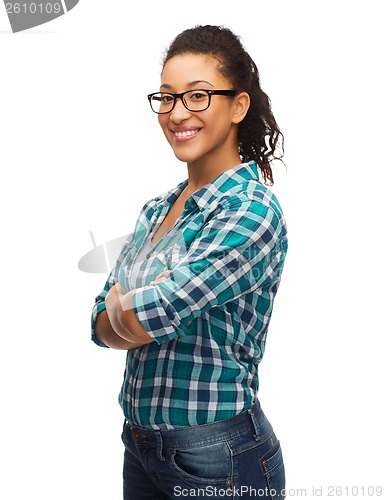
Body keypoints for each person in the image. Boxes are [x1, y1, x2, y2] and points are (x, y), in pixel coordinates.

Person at [91, 25, 288, 500]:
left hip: (216, 455)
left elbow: (158, 311)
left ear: (238, 106)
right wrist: (125, 312)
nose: (177, 113)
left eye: (198, 96)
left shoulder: (250, 209)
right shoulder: (157, 209)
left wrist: (129, 308)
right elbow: (100, 321)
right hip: (139, 445)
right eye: (166, 97)